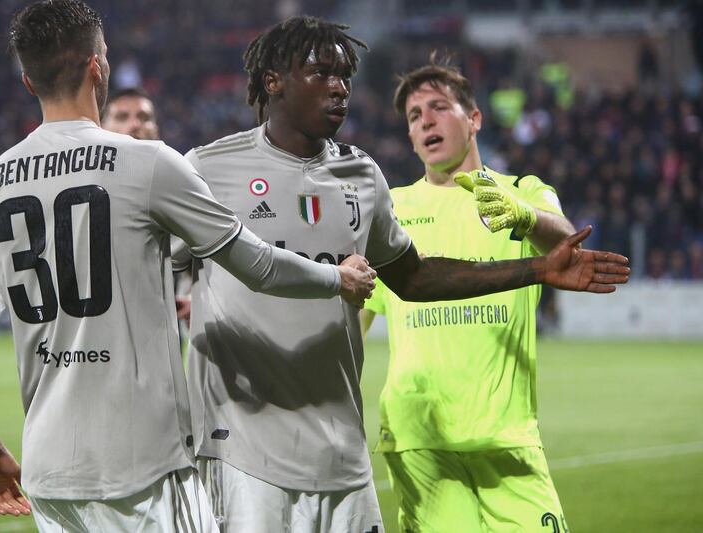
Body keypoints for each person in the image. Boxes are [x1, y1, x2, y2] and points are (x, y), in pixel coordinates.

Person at [179, 16, 629, 533]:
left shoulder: (362, 175)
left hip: (341, 454)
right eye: (322, 73)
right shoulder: (208, 170)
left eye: (345, 75)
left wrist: (537, 268)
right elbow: (158, 273)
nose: (340, 88)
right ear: (273, 81)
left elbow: (413, 279)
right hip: (241, 452)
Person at [0, 2, 375, 531]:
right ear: (97, 67)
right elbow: (257, 265)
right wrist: (338, 277)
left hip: (51, 471)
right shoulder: (147, 164)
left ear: (29, 81)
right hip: (146, 468)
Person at [360, 55, 574, 532]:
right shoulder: (390, 210)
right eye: (415, 117)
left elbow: (566, 244)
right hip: (421, 439)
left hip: (508, 436)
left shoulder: (523, 192)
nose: (425, 121)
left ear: (473, 119)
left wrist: (524, 215)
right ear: (411, 138)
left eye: (438, 107)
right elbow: (354, 317)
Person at [102, 87, 192, 325]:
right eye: (122, 117)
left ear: (156, 130)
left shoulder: (180, 184)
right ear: (100, 128)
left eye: (144, 118)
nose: (134, 125)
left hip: (158, 335)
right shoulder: (81, 190)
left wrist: (197, 300)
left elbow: (209, 252)